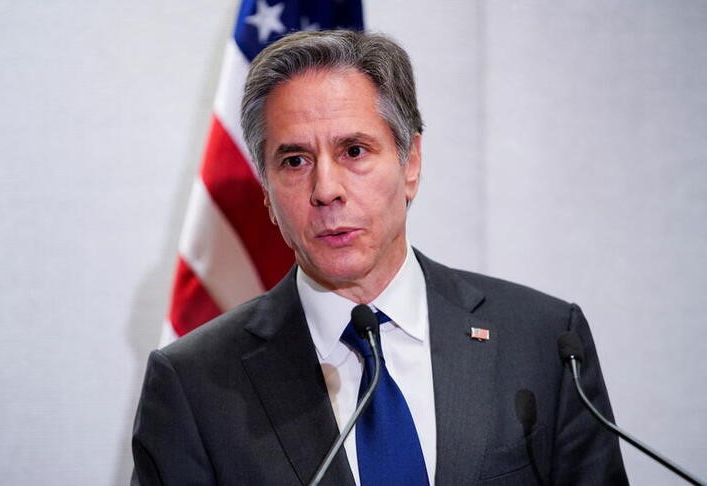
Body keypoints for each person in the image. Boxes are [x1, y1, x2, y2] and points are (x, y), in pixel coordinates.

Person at [131, 30, 628, 485]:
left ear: (410, 162)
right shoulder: (193, 386)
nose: (326, 190)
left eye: (354, 151)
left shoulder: (543, 341)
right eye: (295, 160)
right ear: (266, 191)